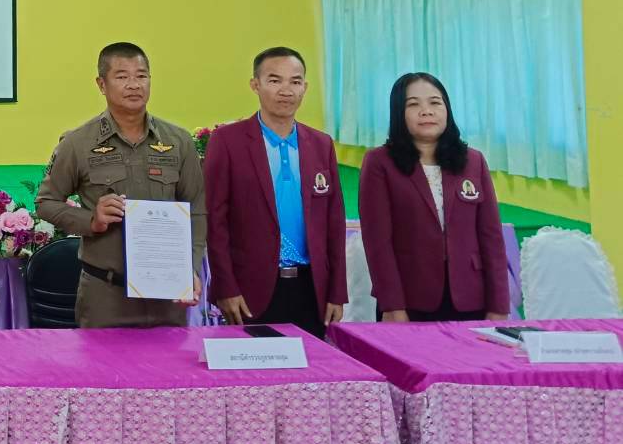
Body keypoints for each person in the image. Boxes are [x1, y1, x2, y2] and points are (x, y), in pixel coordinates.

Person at [36, 42, 206, 327]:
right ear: (101, 84)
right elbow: (45, 203)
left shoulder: (178, 141)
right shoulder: (78, 143)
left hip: (167, 295)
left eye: (141, 76)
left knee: (169, 357)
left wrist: (190, 266)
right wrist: (92, 220)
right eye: (122, 76)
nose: (134, 85)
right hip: (106, 295)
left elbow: (196, 209)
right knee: (102, 358)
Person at [204, 46, 346, 337]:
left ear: (305, 87)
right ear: (255, 84)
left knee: (312, 365)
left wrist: (337, 291)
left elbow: (334, 223)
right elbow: (215, 222)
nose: (286, 90)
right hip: (249, 292)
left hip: (311, 290)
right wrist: (225, 287)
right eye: (274, 80)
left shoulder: (321, 144)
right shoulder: (227, 141)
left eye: (295, 81)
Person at [358, 72, 510, 322]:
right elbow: (378, 243)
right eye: (413, 104)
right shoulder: (380, 163)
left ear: (447, 109)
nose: (426, 111)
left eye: (435, 102)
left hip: (471, 298)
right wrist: (393, 306)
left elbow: (491, 238)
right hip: (409, 300)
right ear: (399, 113)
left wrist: (499, 306)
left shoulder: (473, 161)